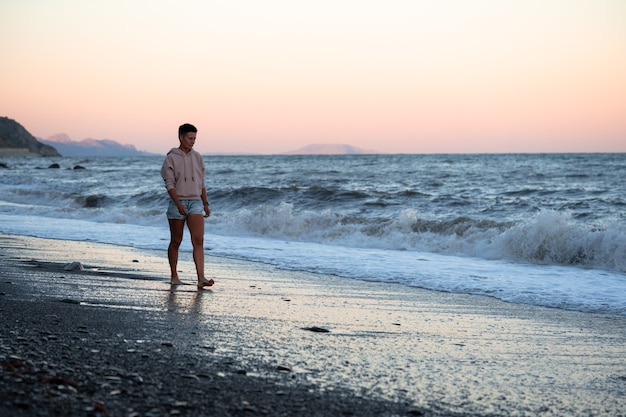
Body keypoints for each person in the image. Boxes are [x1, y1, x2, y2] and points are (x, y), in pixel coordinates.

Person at [160, 123, 214, 289]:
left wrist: (205, 203)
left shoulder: (197, 157)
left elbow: (201, 182)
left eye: (195, 139)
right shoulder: (171, 158)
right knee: (176, 241)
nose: (192, 141)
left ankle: (201, 278)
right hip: (178, 202)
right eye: (190, 138)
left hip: (196, 202)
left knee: (198, 240)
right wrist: (178, 204)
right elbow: (169, 185)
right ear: (181, 137)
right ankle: (174, 276)